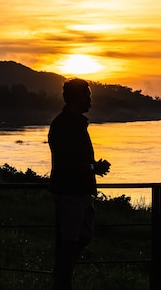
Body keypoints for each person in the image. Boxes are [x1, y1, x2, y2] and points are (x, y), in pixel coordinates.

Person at [48, 78, 110, 290]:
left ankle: (62, 278)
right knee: (70, 243)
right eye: (88, 95)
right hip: (71, 193)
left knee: (81, 238)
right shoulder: (64, 125)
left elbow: (75, 160)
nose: (91, 100)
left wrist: (93, 167)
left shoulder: (74, 123)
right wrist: (94, 168)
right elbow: (70, 163)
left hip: (81, 193)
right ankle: (62, 282)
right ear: (78, 97)